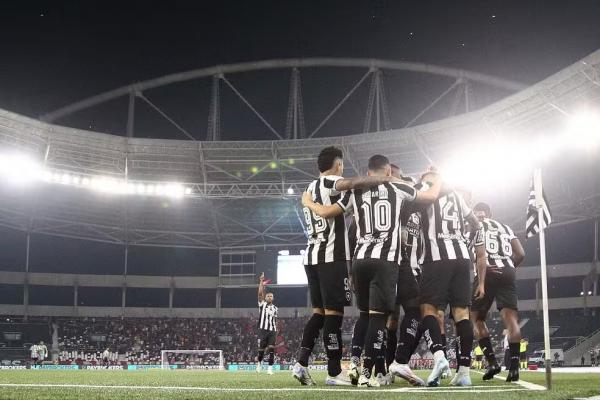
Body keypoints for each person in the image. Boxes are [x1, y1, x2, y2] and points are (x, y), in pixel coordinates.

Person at [303, 155, 442, 387]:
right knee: (379, 319)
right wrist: (437, 178)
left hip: (360, 261)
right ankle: (368, 374)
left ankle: (357, 365)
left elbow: (327, 212)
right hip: (385, 261)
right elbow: (431, 196)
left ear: (367, 173)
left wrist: (307, 201)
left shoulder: (355, 191)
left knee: (365, 316)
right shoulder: (399, 186)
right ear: (388, 171)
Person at [293, 146, 403, 386]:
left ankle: (301, 363)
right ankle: (334, 372)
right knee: (334, 315)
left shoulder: (309, 189)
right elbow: (350, 185)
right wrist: (385, 177)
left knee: (319, 314)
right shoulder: (334, 182)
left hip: (311, 256)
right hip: (331, 257)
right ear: (338, 165)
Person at [417, 172, 486, 387]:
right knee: (462, 314)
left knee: (427, 309)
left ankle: (439, 358)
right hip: (463, 259)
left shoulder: (425, 189)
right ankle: (464, 372)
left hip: (437, 257)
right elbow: (474, 222)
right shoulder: (456, 195)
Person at [470, 202, 525, 383]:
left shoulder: (472, 225)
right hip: (507, 271)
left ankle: (492, 362)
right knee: (511, 320)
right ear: (490, 214)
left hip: (486, 270)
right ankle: (514, 369)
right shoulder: (505, 227)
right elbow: (521, 254)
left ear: (476, 213)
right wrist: (509, 267)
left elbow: (470, 253)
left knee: (477, 318)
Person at [256, 272, 278, 375]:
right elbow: (260, 294)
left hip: (272, 331)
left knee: (271, 349)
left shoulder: (275, 308)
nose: (269, 297)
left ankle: (270, 368)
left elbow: (275, 320)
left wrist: (276, 330)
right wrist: (261, 282)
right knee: (261, 350)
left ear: (273, 298)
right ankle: (259, 363)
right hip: (263, 330)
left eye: (271, 296)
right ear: (266, 298)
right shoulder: (262, 304)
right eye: (268, 296)